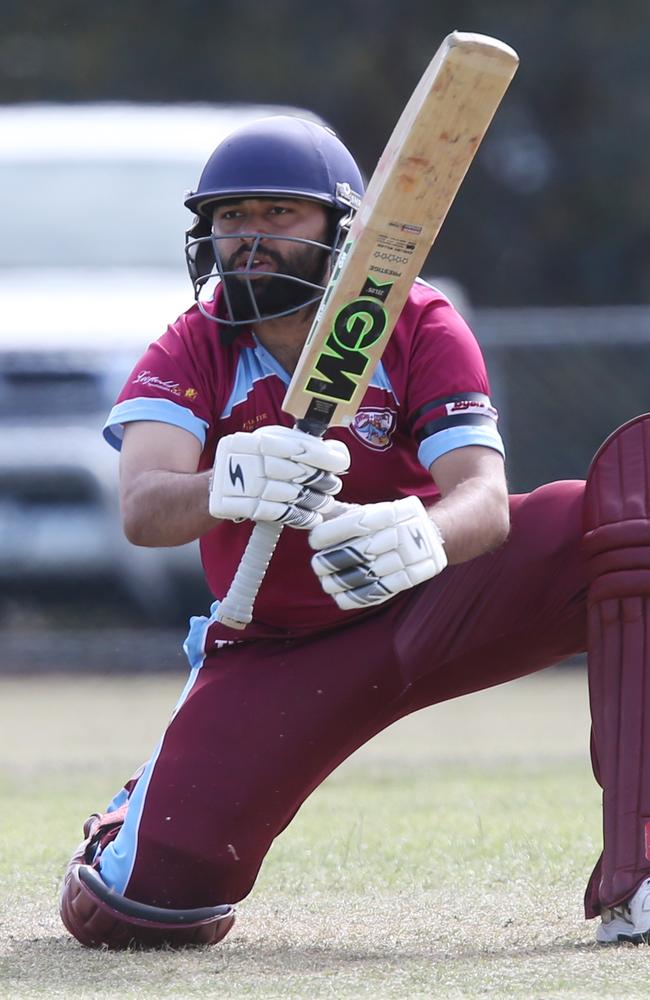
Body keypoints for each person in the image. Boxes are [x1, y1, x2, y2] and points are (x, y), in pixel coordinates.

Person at [58, 115, 650, 949]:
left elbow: (482, 496)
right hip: (280, 644)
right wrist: (229, 480)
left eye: (277, 215)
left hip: (436, 598)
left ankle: (642, 866)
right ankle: (131, 815)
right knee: (134, 913)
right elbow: (143, 508)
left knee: (628, 519)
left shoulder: (420, 323)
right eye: (232, 218)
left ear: (344, 232)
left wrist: (420, 534)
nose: (249, 238)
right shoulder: (194, 346)